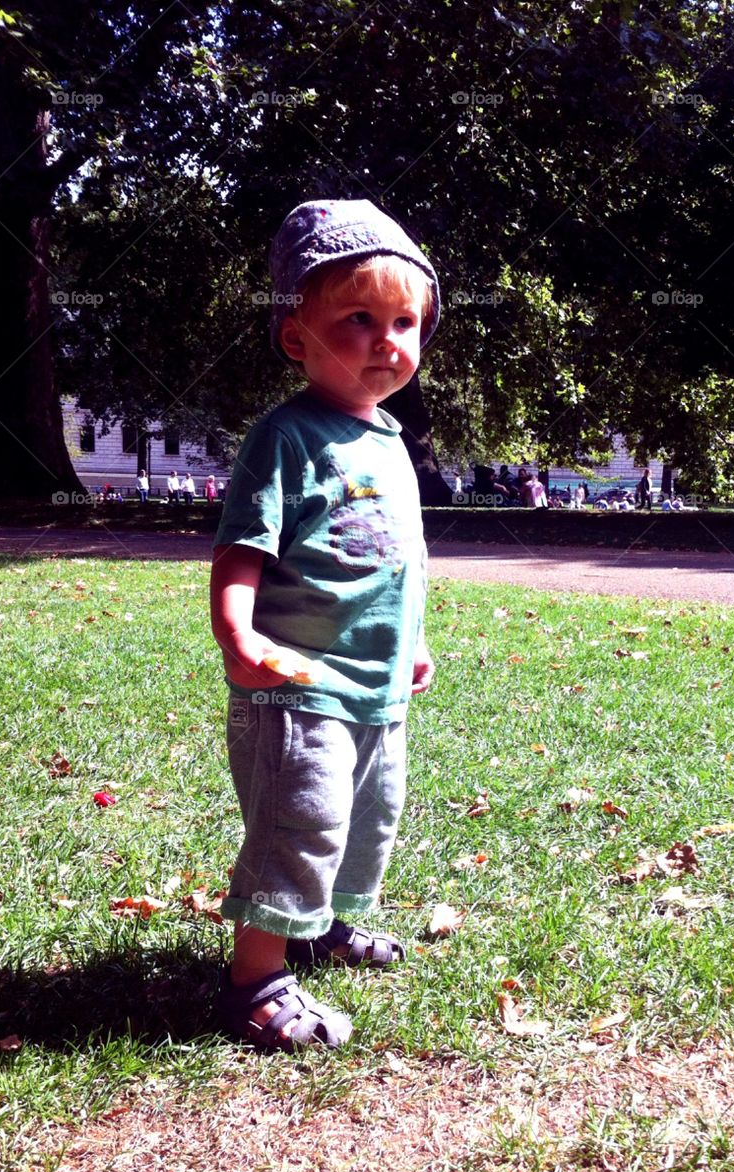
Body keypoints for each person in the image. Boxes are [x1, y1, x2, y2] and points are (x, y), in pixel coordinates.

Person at [210, 198, 439, 1053]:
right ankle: (257, 977)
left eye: (405, 322)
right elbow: (242, 549)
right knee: (299, 820)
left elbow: (398, 560)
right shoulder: (285, 437)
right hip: (298, 683)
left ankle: (323, 926)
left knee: (365, 819)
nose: (389, 340)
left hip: (377, 685)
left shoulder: (387, 440)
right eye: (358, 319)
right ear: (296, 336)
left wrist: (411, 640)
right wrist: (240, 639)